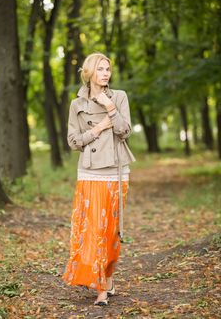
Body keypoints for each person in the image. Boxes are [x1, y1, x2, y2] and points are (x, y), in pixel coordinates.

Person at [62, 52, 135, 306]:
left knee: (111, 231)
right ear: (89, 72)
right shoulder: (77, 105)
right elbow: (73, 141)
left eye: (108, 69)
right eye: (101, 69)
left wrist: (110, 108)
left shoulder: (119, 97)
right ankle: (101, 287)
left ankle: (108, 275)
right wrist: (99, 128)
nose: (106, 73)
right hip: (90, 171)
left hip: (115, 170)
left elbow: (125, 131)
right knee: (93, 230)